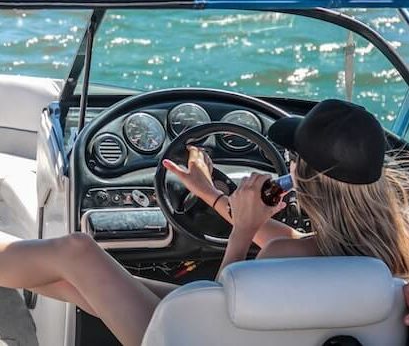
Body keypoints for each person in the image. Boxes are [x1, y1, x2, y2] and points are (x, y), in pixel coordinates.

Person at [0, 98, 407, 346]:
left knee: (79, 252)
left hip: (193, 341)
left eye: (295, 160)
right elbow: (285, 239)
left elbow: (216, 321)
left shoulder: (286, 253)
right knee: (88, 286)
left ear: (304, 179)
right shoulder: (392, 258)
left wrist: (242, 232)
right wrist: (209, 191)